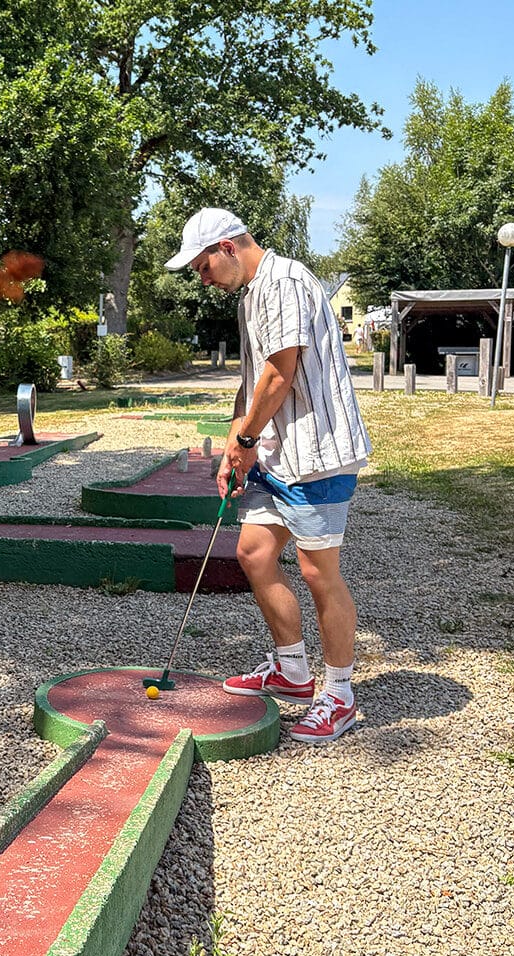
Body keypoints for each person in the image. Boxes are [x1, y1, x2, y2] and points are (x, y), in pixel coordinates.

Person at [165, 208, 372, 743]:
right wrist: (235, 443)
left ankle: (340, 694)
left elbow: (282, 371)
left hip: (317, 450)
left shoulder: (284, 282)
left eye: (203, 265)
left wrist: (247, 440)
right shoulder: (250, 295)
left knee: (316, 570)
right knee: (254, 553)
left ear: (229, 246)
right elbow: (254, 378)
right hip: (275, 451)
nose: (201, 277)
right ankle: (293, 671)